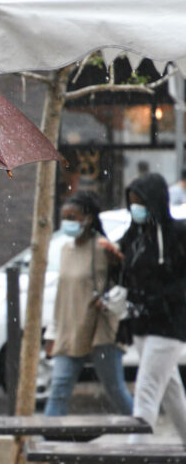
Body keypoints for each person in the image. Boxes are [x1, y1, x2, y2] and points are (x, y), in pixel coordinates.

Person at [43, 191, 133, 416]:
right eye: (64, 217)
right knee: (59, 389)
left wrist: (117, 264)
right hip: (70, 329)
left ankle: (140, 432)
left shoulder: (104, 248)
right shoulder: (65, 249)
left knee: (114, 389)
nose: (68, 223)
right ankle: (46, 445)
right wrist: (52, 334)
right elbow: (62, 295)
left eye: (72, 217)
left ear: (88, 218)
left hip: (100, 329)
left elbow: (122, 283)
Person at [116, 173, 186, 442]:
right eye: (132, 203)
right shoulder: (135, 237)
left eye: (140, 203)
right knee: (171, 390)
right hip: (143, 325)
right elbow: (124, 270)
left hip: (169, 325)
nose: (136, 209)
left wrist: (164, 298)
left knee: (146, 393)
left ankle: (135, 453)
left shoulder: (176, 235)